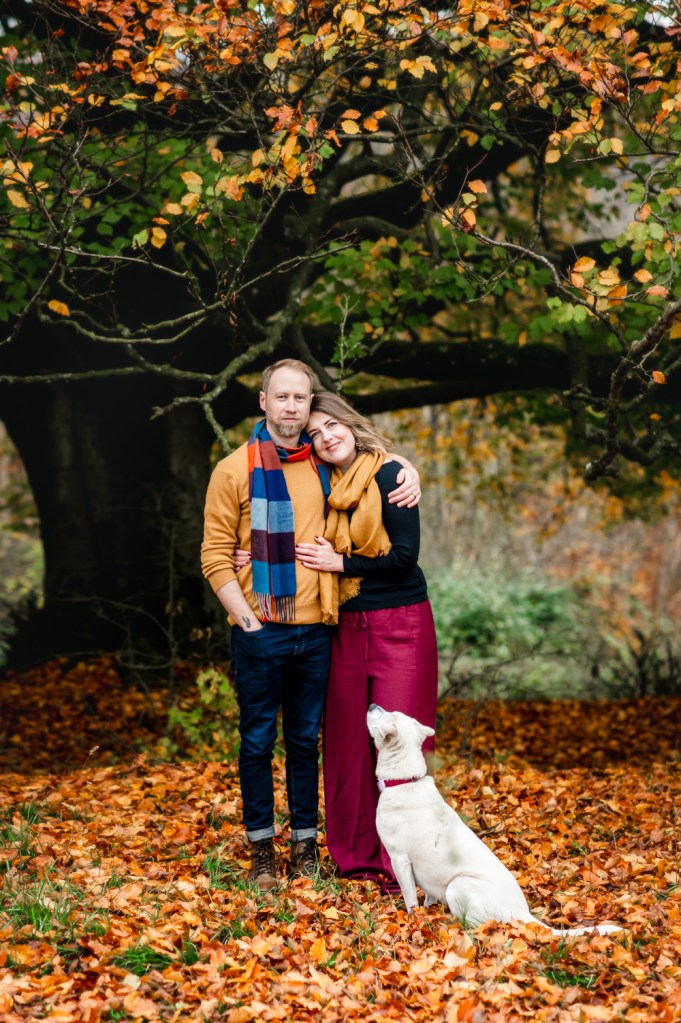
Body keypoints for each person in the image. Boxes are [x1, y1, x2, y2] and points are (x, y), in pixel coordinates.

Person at [200, 359, 420, 891]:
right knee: (256, 742)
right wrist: (245, 618)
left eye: (301, 398)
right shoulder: (233, 471)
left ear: (309, 403)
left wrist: (409, 468)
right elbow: (212, 554)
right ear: (263, 401)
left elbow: (372, 468)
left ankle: (304, 845)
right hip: (262, 629)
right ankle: (260, 850)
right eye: (282, 398)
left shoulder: (323, 466)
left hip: (320, 627)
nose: (292, 408)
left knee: (304, 742)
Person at [294, 391, 439, 890]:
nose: (326, 437)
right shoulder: (317, 485)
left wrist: (341, 564)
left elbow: (404, 556)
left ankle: (410, 861)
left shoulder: (390, 474)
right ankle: (358, 858)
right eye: (314, 434)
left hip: (401, 623)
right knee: (346, 744)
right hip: (341, 628)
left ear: (351, 424)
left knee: (399, 745)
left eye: (332, 425)